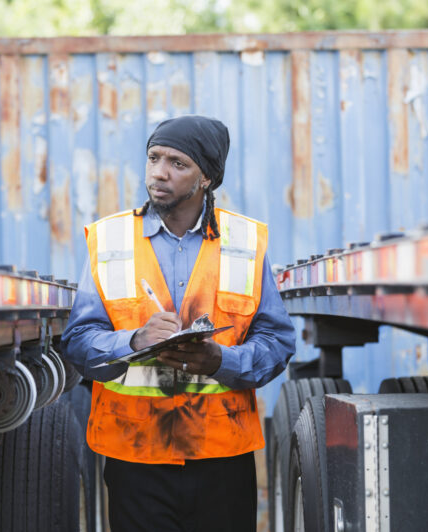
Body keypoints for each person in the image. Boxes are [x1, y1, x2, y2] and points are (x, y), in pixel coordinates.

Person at [61, 114, 296, 532]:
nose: (159, 173)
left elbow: (277, 344)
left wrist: (219, 360)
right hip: (134, 456)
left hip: (222, 456)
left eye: (178, 163)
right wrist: (133, 340)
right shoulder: (109, 239)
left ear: (207, 177)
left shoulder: (245, 242)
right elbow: (77, 342)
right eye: (154, 158)